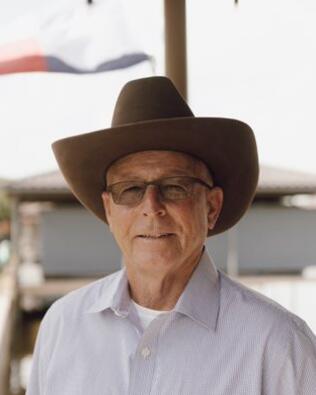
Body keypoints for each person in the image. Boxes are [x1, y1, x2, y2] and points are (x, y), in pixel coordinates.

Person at [26, 77, 316, 395]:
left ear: (211, 207)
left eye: (175, 187)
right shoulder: (62, 327)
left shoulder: (278, 345)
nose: (151, 207)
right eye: (130, 189)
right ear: (109, 210)